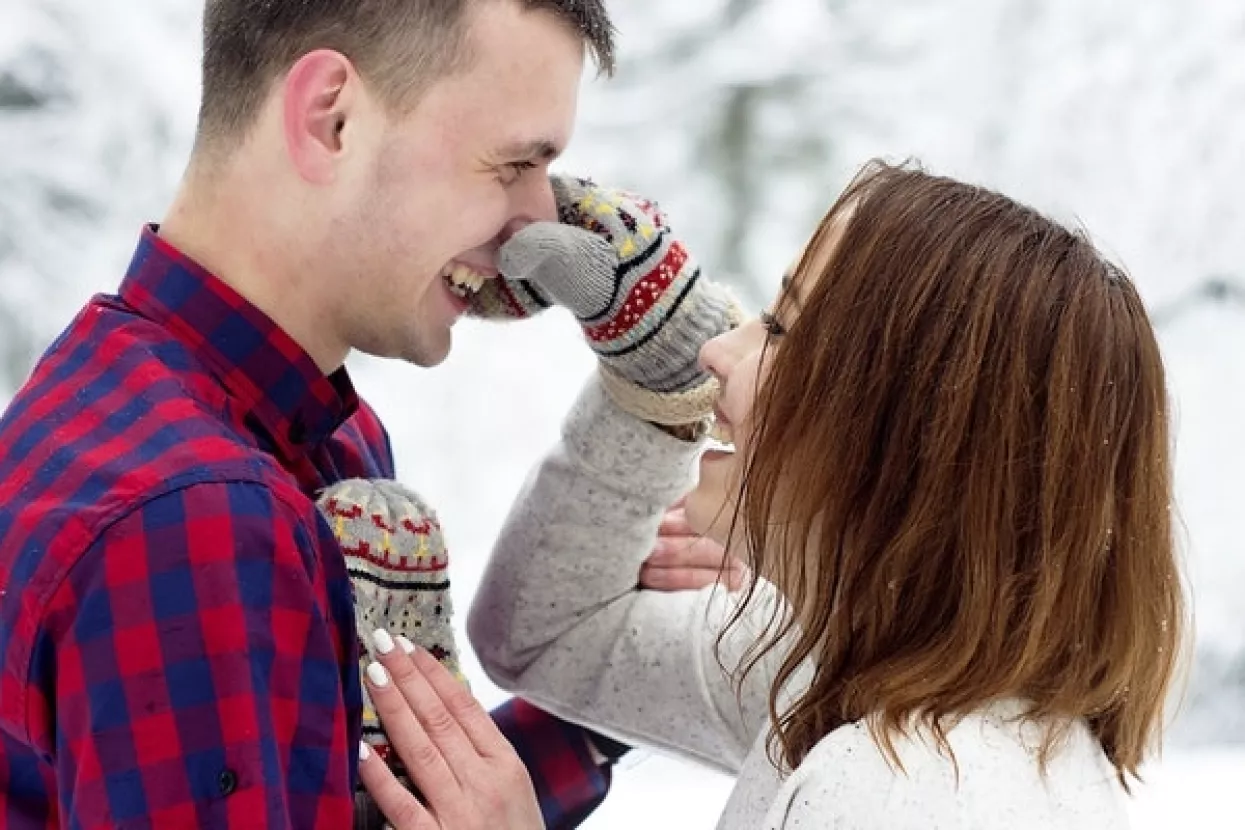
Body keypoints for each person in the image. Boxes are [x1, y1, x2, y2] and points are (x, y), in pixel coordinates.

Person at [0, 2, 734, 827]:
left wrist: (599, 662)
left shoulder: (296, 434)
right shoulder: (195, 521)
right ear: (331, 119)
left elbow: (335, 802)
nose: (541, 219)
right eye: (511, 165)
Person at [359, 160, 1188, 828]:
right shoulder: (842, 673)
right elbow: (548, 638)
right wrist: (649, 371)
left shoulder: (896, 790)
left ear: (899, 429)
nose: (719, 347)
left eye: (782, 328)